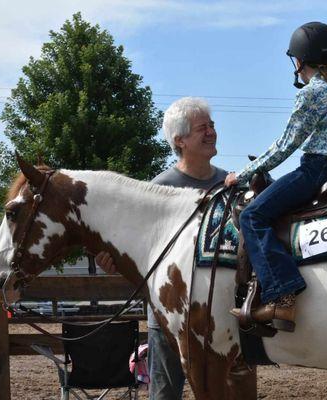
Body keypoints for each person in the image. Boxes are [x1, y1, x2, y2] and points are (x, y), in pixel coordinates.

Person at [226, 22, 327, 332]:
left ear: (299, 60)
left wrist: (244, 174)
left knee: (252, 215)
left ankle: (282, 296)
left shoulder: (312, 93)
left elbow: (285, 145)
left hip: (316, 168)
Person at [96, 97, 227, 400]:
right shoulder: (159, 189)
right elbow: (133, 247)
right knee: (165, 394)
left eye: (212, 126)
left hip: (221, 318)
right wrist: (111, 260)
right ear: (180, 140)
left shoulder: (228, 184)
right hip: (168, 320)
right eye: (201, 128)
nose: (211, 132)